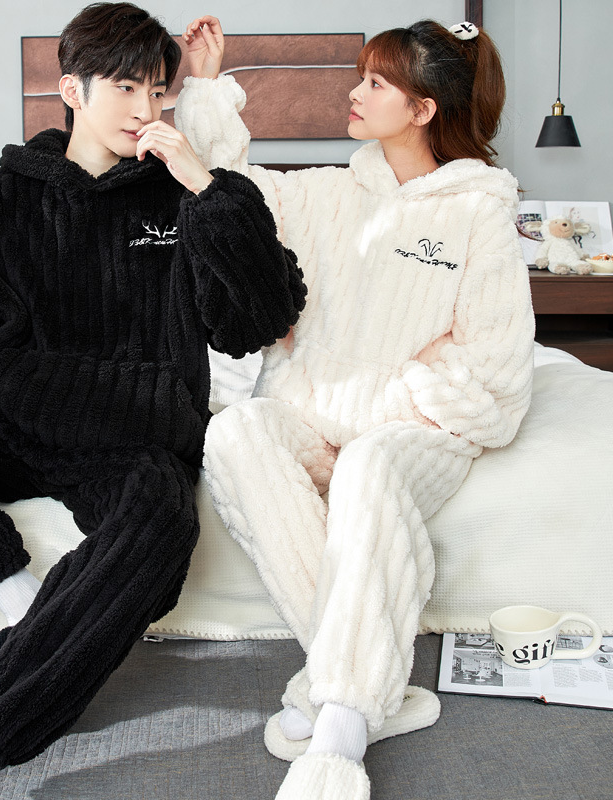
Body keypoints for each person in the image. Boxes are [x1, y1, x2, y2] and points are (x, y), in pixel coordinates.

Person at [0, 4, 305, 799]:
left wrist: (207, 187)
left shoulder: (183, 195)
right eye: (125, 88)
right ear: (72, 89)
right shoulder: (8, 201)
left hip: (135, 436)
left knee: (161, 520)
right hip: (15, 416)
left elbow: (257, 320)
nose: (145, 110)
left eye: (158, 91)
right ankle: (21, 603)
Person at [177, 16, 534, 800]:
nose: (355, 91)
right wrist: (203, 86)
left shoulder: (478, 213)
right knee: (236, 431)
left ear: (423, 110)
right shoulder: (332, 193)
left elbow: (497, 379)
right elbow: (233, 196)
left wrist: (390, 394)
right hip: (316, 415)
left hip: (416, 432)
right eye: (361, 76)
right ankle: (375, 686)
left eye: (376, 82)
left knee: (370, 464)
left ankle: (339, 731)